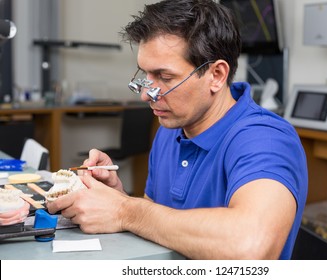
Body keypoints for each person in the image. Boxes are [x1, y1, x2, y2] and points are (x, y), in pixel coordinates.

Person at [47, 0, 308, 259]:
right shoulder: (172, 128)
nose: (146, 96)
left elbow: (251, 246)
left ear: (216, 75)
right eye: (146, 76)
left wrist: (125, 210)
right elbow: (157, 219)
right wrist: (116, 197)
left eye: (165, 77)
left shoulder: (265, 139)